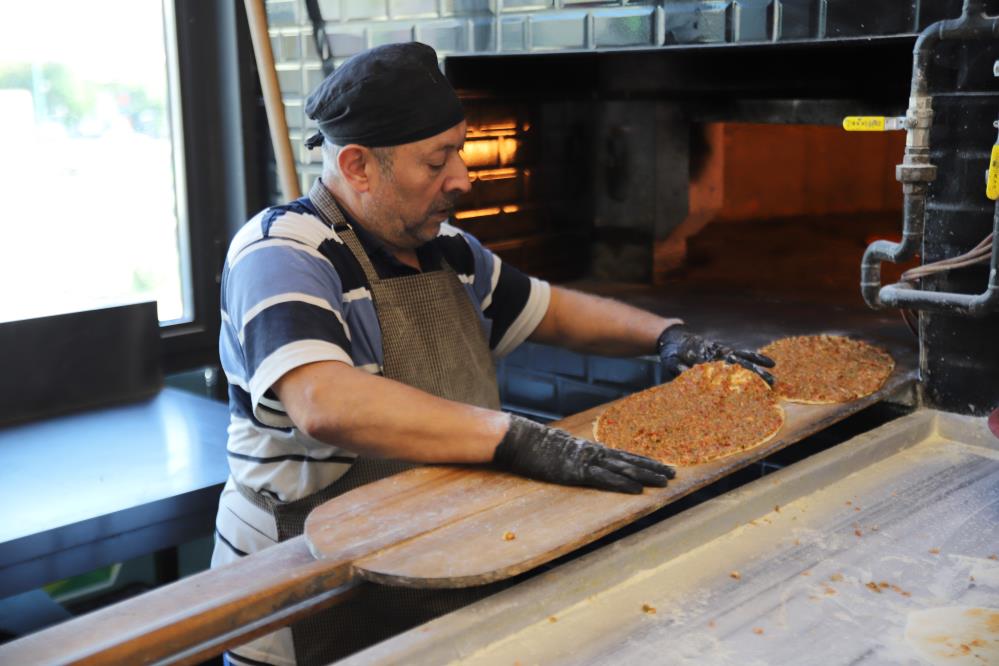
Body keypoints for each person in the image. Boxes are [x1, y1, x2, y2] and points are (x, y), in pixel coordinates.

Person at [212, 41, 774, 666]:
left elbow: (553, 309)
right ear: (358, 165)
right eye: (437, 161)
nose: (463, 176)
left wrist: (669, 337)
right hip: (308, 587)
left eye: (461, 148)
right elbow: (325, 402)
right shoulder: (282, 252)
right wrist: (516, 439)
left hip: (428, 552)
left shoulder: (446, 249)